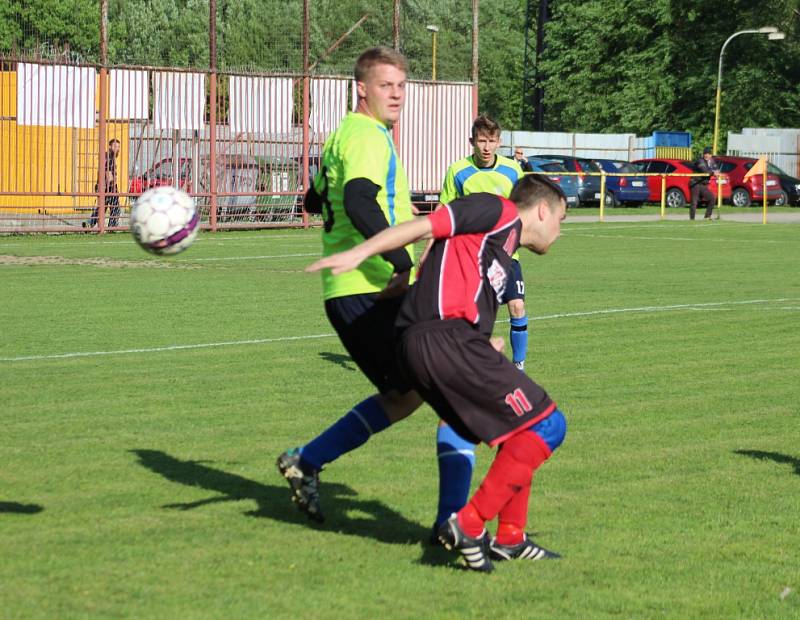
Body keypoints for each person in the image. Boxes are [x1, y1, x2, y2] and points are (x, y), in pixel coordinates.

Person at [308, 174, 569, 572]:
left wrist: (485, 343)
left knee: (520, 426)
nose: (559, 232)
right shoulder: (498, 211)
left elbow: (449, 274)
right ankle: (465, 524)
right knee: (549, 426)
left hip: (440, 342)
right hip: (443, 340)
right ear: (543, 210)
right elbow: (427, 225)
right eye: (562, 221)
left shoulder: (498, 250)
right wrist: (362, 252)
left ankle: (510, 538)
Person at [276, 47, 422, 522]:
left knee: (410, 394)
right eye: (386, 85)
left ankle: (307, 460)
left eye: (401, 86)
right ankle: (462, 521)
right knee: (450, 379)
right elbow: (360, 201)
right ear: (362, 87)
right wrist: (401, 259)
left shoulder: (345, 133)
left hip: (362, 292)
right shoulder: (367, 136)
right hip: (370, 290)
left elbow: (314, 198)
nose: (396, 94)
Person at [432, 115, 529, 539]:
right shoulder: (459, 171)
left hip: (506, 255)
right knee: (478, 319)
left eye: (492, 140)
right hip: (469, 259)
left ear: (499, 142)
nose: (486, 146)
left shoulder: (512, 170)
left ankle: (519, 364)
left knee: (518, 305)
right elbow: (444, 210)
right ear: (471, 141)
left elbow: (524, 210)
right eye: (481, 140)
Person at [85, 138, 121, 229]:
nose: (117, 149)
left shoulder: (107, 156)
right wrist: (111, 185)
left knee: (102, 207)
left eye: (118, 147)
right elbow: (107, 172)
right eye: (115, 146)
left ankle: (90, 223)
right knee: (115, 208)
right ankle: (112, 227)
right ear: (109, 146)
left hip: (103, 185)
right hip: (109, 186)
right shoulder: (109, 157)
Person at [689, 146, 718, 221]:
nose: (706, 155)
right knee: (694, 202)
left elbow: (716, 169)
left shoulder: (711, 161)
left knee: (712, 198)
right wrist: (713, 172)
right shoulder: (700, 161)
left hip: (702, 184)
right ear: (703, 154)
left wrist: (716, 172)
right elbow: (705, 171)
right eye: (705, 153)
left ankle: (707, 217)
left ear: (711, 155)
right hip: (695, 183)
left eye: (708, 154)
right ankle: (692, 220)